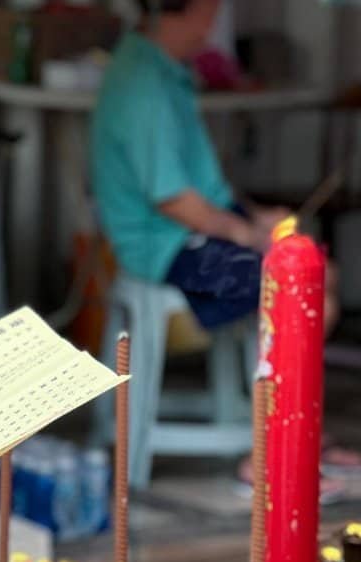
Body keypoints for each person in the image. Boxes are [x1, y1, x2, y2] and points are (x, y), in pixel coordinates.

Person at [90, 0, 358, 485]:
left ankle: (292, 433)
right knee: (297, 289)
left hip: (189, 233)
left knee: (316, 274)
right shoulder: (144, 85)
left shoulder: (163, 68)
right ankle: (271, 449)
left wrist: (256, 217)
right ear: (182, 11)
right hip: (166, 247)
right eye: (208, 13)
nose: (212, 25)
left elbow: (201, 187)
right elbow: (174, 200)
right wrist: (248, 233)